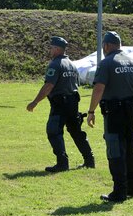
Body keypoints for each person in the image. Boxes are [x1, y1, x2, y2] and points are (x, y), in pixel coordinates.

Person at [87, 31, 133, 202]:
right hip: (131, 112)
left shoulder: (106, 63)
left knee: (115, 151)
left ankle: (119, 191)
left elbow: (99, 88)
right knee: (130, 149)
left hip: (114, 113)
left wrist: (91, 111)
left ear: (106, 45)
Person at [27, 36, 95, 172]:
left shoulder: (55, 64)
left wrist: (34, 102)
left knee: (53, 131)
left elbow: (49, 85)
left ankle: (62, 163)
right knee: (76, 132)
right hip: (73, 102)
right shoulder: (72, 64)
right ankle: (89, 160)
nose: (50, 50)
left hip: (60, 104)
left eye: (52, 48)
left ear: (57, 49)